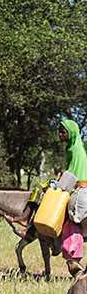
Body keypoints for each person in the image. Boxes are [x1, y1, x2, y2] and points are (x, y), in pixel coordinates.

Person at [58, 118, 87, 275]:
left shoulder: (75, 151)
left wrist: (58, 186)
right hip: (80, 189)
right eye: (59, 131)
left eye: (63, 132)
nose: (60, 134)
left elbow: (72, 174)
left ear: (72, 133)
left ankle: (74, 259)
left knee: (71, 219)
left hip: (81, 191)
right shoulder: (73, 148)